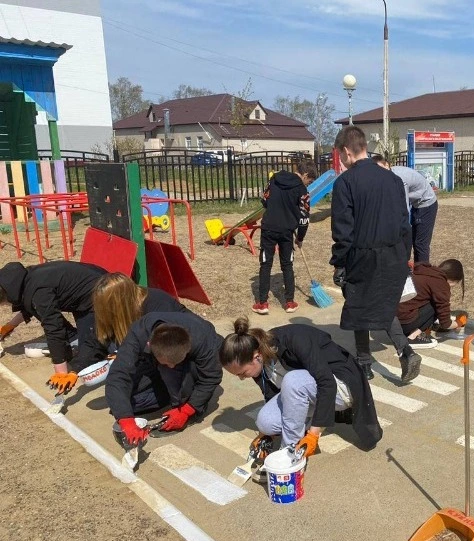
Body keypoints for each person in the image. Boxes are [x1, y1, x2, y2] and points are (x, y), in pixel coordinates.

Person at [219, 317, 382, 469]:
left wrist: (313, 434)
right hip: (310, 392)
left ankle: (289, 455)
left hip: (341, 387)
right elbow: (272, 396)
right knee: (265, 422)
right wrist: (266, 436)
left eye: (242, 373)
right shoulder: (258, 362)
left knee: (293, 381)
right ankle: (295, 432)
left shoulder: (295, 339)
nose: (241, 378)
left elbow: (326, 383)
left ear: (256, 357)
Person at [330, 126, 421, 383]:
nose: (342, 161)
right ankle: (405, 351)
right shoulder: (392, 179)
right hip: (394, 253)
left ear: (347, 151)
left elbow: (343, 231)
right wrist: (404, 257)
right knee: (383, 305)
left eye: (340, 155)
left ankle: (364, 363)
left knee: (358, 305)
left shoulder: (345, 183)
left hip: (362, 255)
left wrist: (339, 263)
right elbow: (405, 222)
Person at [105, 311, 223, 446]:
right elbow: (119, 375)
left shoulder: (203, 339)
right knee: (128, 403)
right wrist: (126, 419)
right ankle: (169, 391)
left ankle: (185, 405)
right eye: (167, 363)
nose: (172, 366)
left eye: (175, 362)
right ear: (151, 347)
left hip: (194, 361)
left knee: (173, 377)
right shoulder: (138, 334)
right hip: (153, 362)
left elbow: (211, 376)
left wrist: (188, 409)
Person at [0, 261, 107, 393]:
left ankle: (115, 351)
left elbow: (53, 329)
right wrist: (10, 326)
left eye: (3, 303)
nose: (5, 305)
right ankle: (73, 338)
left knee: (89, 354)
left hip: (99, 292)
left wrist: (61, 372)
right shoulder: (24, 279)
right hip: (86, 289)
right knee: (82, 345)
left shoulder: (39, 292)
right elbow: (31, 307)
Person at [252, 161, 318, 315]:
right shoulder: (302, 190)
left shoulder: (274, 179)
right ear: (306, 175)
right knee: (287, 265)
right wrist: (300, 237)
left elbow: (265, 200)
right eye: (310, 181)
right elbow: (304, 217)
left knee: (265, 264)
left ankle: (262, 303)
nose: (309, 184)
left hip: (268, 227)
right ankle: (289, 302)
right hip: (286, 231)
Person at [81, 272, 189, 366]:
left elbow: (165, 347)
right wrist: (74, 369)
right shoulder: (115, 311)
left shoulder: (157, 305)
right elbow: (97, 339)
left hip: (174, 355)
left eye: (107, 307)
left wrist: (124, 356)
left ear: (120, 303)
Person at [372, 155, 438, 264]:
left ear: (387, 165)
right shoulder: (388, 178)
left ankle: (423, 274)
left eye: (381, 169)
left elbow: (404, 209)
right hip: (416, 204)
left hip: (426, 204)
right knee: (412, 240)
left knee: (420, 243)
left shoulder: (399, 179)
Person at [396, 259, 466, 349]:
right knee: (436, 305)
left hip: (393, 320)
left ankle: (413, 330)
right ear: (453, 280)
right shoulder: (441, 284)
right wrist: (459, 323)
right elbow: (445, 324)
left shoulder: (425, 270)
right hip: (404, 323)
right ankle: (412, 337)